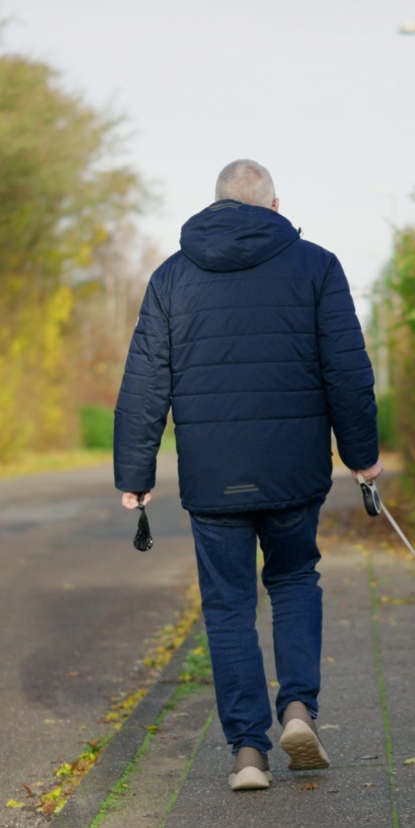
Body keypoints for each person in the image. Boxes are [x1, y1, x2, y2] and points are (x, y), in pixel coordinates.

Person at [113, 158, 381, 791]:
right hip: (294, 469)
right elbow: (347, 369)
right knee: (293, 580)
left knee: (228, 608)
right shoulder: (317, 265)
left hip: (214, 478)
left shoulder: (172, 276)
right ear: (275, 207)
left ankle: (247, 754)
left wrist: (136, 471)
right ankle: (297, 710)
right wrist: (361, 455)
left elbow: (146, 379)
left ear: (215, 206)